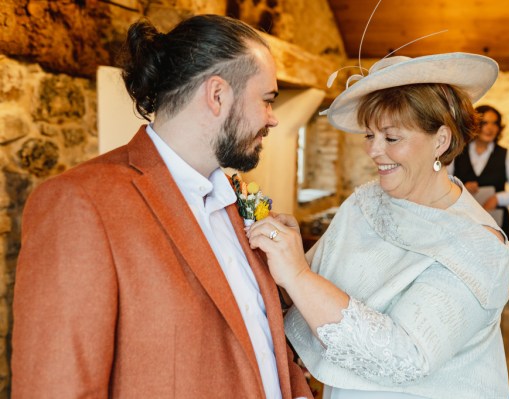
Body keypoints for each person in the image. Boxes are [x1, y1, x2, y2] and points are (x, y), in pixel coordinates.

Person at [11, 15, 312, 399]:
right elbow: (56, 388)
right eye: (267, 99)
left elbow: (258, 339)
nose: (273, 118)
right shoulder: (81, 203)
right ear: (217, 95)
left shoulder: (235, 202)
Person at [247, 52, 509, 398]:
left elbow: (405, 357)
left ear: (441, 141)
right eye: (369, 136)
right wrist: (291, 253)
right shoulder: (365, 202)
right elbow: (308, 288)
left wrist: (298, 274)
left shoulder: (479, 246)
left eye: (391, 138)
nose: (373, 150)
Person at [448, 104, 509, 241]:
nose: (490, 128)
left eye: (495, 123)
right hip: (463, 226)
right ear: (474, 124)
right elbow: (443, 184)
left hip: (496, 227)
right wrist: (460, 188)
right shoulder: (457, 153)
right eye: (485, 123)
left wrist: (498, 198)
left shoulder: (507, 156)